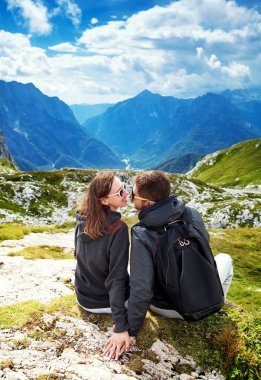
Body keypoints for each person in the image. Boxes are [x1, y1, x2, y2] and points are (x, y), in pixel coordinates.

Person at [104, 170, 233, 358]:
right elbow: (204, 247)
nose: (130, 196)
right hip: (209, 298)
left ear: (148, 203)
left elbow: (142, 289)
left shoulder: (142, 232)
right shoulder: (191, 214)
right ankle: (214, 303)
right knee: (226, 259)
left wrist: (128, 330)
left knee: (135, 271)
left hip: (169, 308)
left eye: (134, 194)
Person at [74, 171, 131, 353]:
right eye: (120, 192)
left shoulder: (82, 219)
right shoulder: (119, 229)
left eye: (125, 187)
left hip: (84, 299)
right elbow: (116, 279)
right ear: (104, 201)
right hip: (104, 303)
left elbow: (78, 255)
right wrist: (120, 326)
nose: (127, 193)